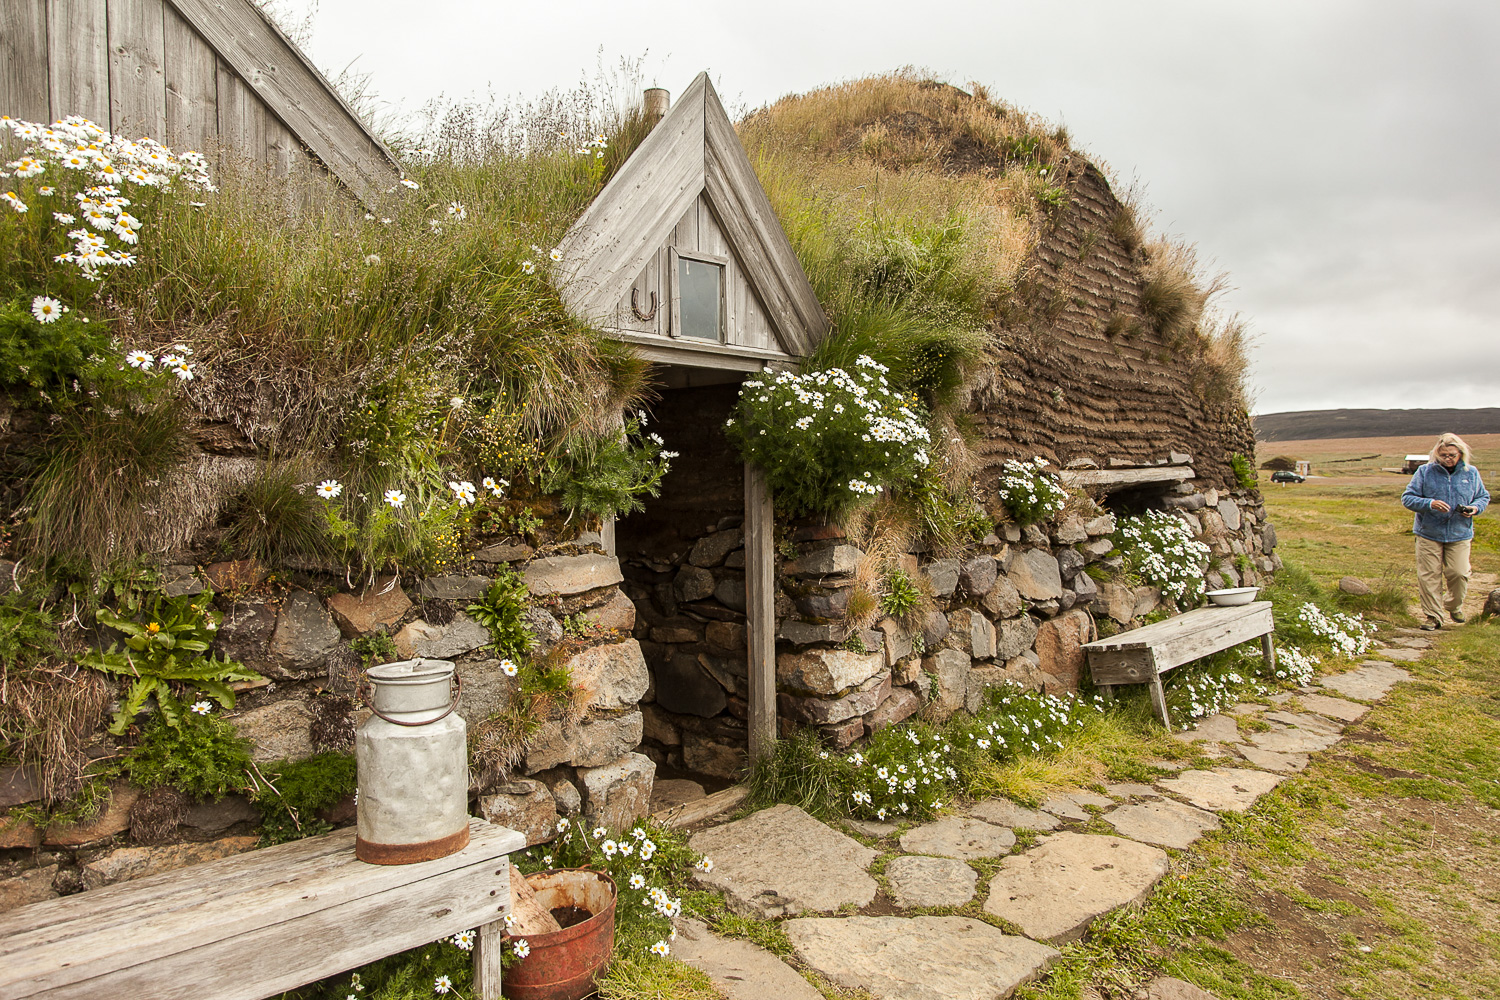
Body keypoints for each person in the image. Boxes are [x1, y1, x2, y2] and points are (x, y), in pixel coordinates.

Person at [1401, 433, 1489, 629]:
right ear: (1436, 454)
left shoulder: (1471, 473)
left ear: (1460, 454)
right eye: (1443, 455)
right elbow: (1407, 498)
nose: (1448, 459)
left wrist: (1474, 508)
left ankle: (1453, 605)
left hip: (1460, 533)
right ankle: (1433, 617)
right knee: (1429, 575)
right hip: (1428, 533)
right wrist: (1429, 503)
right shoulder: (1425, 472)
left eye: (1452, 455)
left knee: (1459, 573)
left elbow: (1482, 497)